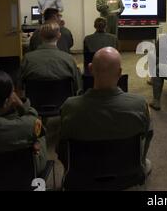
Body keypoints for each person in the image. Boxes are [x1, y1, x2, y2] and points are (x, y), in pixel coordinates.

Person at [60, 47, 153, 175]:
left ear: (90, 69)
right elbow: (147, 135)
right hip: (126, 173)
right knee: (147, 162)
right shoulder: (139, 104)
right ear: (120, 72)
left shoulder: (69, 107)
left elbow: (61, 148)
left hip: (83, 175)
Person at [21, 22, 81, 94]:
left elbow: (20, 85)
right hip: (64, 103)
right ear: (59, 36)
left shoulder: (27, 59)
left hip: (33, 103)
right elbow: (77, 88)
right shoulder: (69, 59)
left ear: (40, 36)